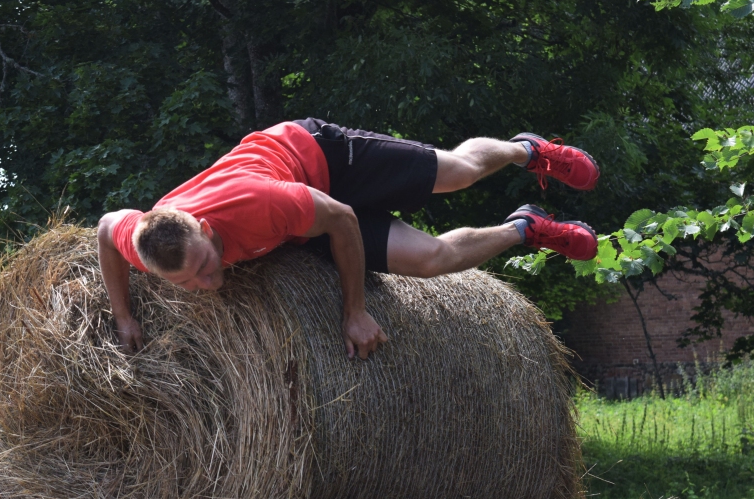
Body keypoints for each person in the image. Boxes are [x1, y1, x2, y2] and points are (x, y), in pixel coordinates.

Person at [97, 118, 600, 359]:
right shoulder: (145, 244)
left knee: (459, 173)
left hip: (322, 161)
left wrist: (354, 310)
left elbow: (342, 219)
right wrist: (123, 316)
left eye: (206, 266)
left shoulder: (260, 203)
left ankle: (526, 150)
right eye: (186, 283)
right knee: (432, 259)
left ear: (205, 229)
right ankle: (525, 227)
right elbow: (104, 229)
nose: (207, 284)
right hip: (301, 227)